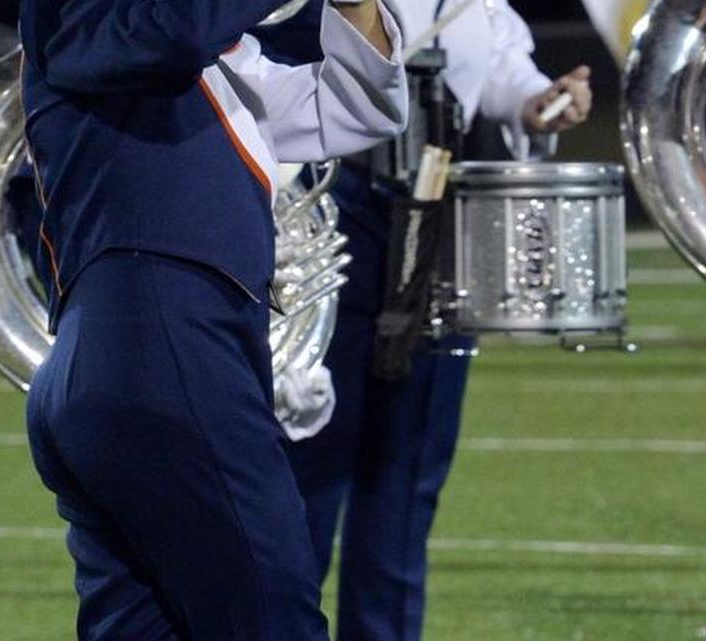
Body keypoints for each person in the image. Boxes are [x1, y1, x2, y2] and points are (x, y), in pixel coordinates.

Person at [19, 0, 409, 638]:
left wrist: (355, 7)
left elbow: (358, 107)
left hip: (144, 354)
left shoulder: (206, 58)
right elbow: (175, 32)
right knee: (274, 618)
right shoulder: (111, 24)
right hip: (158, 339)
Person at [251, 2, 593, 640]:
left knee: (407, 467)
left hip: (438, 207)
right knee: (309, 448)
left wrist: (535, 100)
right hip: (335, 200)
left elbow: (491, 50)